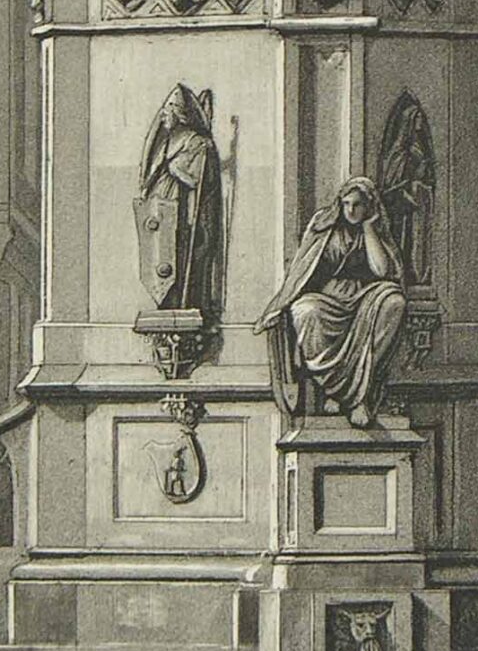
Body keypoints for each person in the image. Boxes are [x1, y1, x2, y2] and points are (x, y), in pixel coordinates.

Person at [259, 179, 409, 428]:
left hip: (365, 296)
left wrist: (369, 229)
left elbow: (382, 269)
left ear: (368, 206)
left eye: (357, 205)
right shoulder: (325, 226)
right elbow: (302, 271)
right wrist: (281, 305)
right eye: (346, 203)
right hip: (328, 296)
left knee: (394, 303)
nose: (350, 210)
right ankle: (331, 387)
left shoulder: (375, 229)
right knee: (305, 311)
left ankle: (360, 393)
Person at [136, 84, 224, 317]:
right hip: (164, 206)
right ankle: (167, 300)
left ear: (179, 113)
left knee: (182, 255)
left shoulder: (196, 141)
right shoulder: (167, 142)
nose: (164, 116)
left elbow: (197, 179)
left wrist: (174, 168)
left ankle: (183, 301)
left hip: (182, 209)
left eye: (168, 112)